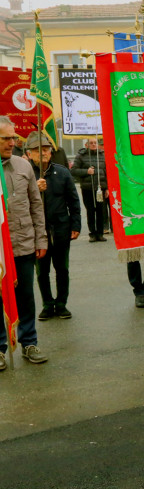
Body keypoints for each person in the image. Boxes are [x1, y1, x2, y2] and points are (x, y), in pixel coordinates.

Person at [0, 117, 48, 366]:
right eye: (6, 138)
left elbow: (35, 205)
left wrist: (41, 238)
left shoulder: (24, 166)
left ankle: (29, 342)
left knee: (26, 296)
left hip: (24, 244)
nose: (12, 143)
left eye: (13, 137)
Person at [25, 132, 81, 320]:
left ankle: (61, 303)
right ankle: (47, 304)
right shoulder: (26, 174)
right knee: (42, 271)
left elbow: (73, 201)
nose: (43, 153)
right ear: (29, 153)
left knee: (62, 268)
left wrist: (76, 225)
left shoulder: (62, 172)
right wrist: (34, 187)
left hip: (61, 228)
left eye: (46, 149)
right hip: (37, 231)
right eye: (37, 150)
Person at [71, 137, 108, 242]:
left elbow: (107, 172)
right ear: (86, 145)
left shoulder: (102, 155)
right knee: (90, 211)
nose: (93, 145)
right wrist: (86, 171)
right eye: (91, 143)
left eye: (95, 143)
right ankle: (92, 233)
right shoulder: (80, 156)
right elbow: (73, 171)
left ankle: (100, 233)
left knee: (101, 211)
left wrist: (107, 188)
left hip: (100, 189)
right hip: (87, 189)